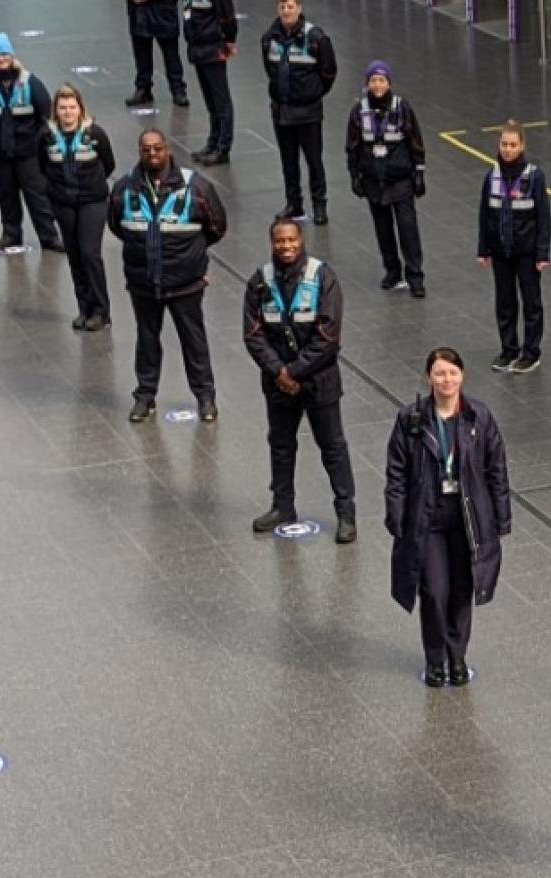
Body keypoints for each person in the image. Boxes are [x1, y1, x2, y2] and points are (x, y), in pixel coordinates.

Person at [386, 349, 511, 687]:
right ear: (429, 377)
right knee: (434, 592)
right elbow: (396, 472)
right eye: (439, 373)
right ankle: (434, 657)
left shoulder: (478, 417)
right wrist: (396, 516)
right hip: (428, 520)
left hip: (469, 518)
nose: (446, 380)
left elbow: (496, 468)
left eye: (452, 373)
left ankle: (457, 654)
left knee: (462, 589)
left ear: (462, 376)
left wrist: (501, 518)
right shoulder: (411, 419)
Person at [244, 218, 356, 543]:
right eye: (280, 241)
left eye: (292, 240)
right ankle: (282, 506)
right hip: (277, 383)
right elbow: (253, 334)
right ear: (272, 243)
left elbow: (328, 335)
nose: (286, 246)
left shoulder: (323, 277)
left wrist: (292, 372)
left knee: (332, 447)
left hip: (319, 381)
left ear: (301, 239)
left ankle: (346, 513)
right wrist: (278, 371)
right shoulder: (260, 282)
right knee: (280, 445)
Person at [107, 129, 228, 422]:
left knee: (193, 341)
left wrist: (192, 258)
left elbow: (216, 226)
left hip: (185, 283)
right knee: (147, 340)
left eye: (157, 148)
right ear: (139, 152)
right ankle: (145, 396)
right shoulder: (124, 188)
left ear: (168, 150)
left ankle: (205, 397)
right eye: (146, 149)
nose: (152, 154)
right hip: (143, 282)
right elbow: (117, 226)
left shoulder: (196, 187)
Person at [0, 34, 62, 254]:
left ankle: (49, 236)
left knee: (37, 195)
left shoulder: (30, 83)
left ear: (12, 55)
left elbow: (47, 116)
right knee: (6, 195)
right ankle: (11, 234)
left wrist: (49, 146)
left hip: (28, 152)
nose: (1, 59)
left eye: (4, 54)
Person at [345, 61, 427, 297]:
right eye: (373, 80)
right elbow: (352, 146)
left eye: (382, 80)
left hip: (400, 181)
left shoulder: (402, 109)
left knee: (408, 229)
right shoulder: (358, 112)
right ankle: (392, 271)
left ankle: (415, 276)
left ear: (389, 83)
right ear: (367, 83)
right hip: (374, 180)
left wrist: (419, 173)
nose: (377, 85)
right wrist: (354, 175)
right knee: (383, 229)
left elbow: (415, 142)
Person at [477, 122, 551, 375]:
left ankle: (531, 352)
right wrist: (483, 249)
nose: (508, 150)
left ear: (522, 146)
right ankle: (509, 349)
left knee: (531, 303)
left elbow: (543, 216)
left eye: (513, 145)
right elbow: (485, 214)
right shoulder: (492, 175)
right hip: (501, 252)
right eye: (504, 144)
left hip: (527, 254)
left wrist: (542, 252)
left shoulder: (534, 176)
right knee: (505, 302)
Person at [41, 86, 116, 332]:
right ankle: (84, 308)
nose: (67, 112)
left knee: (89, 254)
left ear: (80, 108)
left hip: (92, 201)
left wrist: (92, 185)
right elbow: (42, 165)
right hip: (63, 203)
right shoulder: (46, 136)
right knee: (74, 256)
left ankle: (101, 311)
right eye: (62, 108)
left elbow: (109, 163)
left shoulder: (95, 134)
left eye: (72, 107)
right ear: (56, 111)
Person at [261, 0, 337, 224]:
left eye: (291, 6)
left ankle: (319, 205)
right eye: (283, 7)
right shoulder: (269, 38)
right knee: (288, 161)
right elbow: (270, 69)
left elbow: (329, 73)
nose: (287, 11)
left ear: (299, 8)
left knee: (314, 161)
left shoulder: (317, 38)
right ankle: (293, 203)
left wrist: (311, 93)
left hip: (308, 113)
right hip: (281, 111)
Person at [182, 0, 239, 165]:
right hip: (197, 49)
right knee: (211, 102)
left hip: (212, 48)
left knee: (221, 101)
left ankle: (223, 148)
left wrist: (229, 41)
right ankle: (213, 143)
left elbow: (227, 16)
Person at [125, 0, 189, 109]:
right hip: (139, 10)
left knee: (170, 52)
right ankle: (143, 88)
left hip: (163, 9)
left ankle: (178, 89)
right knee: (141, 50)